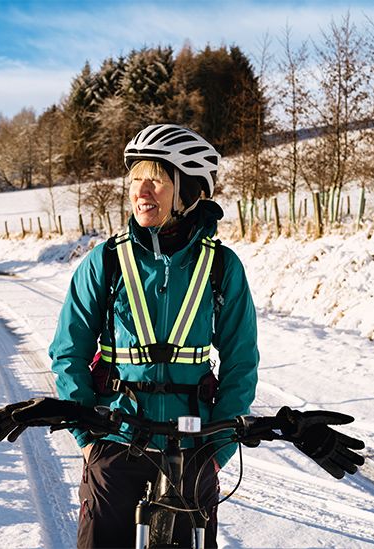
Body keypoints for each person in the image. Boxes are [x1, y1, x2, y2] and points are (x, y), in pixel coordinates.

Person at [49, 124, 259, 548]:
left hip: (193, 444)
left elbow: (241, 363)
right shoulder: (106, 261)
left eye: (157, 180)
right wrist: (89, 441)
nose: (142, 191)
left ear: (188, 192)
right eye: (136, 180)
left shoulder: (221, 267)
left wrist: (216, 453)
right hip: (116, 439)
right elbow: (68, 352)